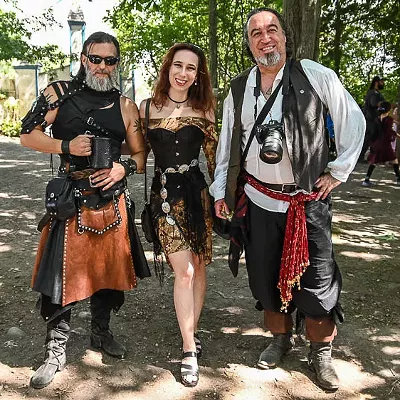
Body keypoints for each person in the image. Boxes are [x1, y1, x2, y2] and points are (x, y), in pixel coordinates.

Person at [210, 8, 365, 391]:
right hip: (259, 201)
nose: (265, 38)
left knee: (318, 280)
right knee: (264, 276)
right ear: (249, 44)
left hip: (307, 202)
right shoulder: (237, 89)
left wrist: (337, 172)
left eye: (272, 30)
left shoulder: (315, 75)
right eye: (256, 33)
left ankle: (321, 351)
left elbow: (353, 121)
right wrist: (220, 191)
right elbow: (226, 148)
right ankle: (280, 338)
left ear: (284, 36)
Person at [20, 32, 150, 389]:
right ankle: (56, 350)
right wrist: (64, 143)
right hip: (71, 199)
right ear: (83, 58)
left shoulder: (126, 106)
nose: (103, 67)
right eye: (97, 59)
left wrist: (126, 167)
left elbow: (141, 153)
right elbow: (26, 134)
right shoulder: (58, 94)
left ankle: (101, 332)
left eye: (110, 61)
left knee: (108, 272)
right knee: (61, 278)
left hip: (111, 200)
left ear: (117, 63)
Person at [139, 42, 217, 387]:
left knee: (198, 266)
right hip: (165, 198)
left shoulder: (205, 110)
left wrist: (230, 198)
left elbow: (217, 162)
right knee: (183, 270)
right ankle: (189, 350)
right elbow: (136, 152)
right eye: (179, 65)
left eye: (192, 68)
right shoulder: (146, 109)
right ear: (168, 67)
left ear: (198, 75)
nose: (184, 74)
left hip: (197, 196)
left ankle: (192, 330)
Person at [362, 101, 400, 186]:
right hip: (385, 144)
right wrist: (396, 135)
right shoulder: (389, 119)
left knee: (374, 161)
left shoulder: (377, 118)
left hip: (376, 143)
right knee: (394, 160)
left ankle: (366, 180)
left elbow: (375, 132)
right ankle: (398, 179)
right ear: (388, 110)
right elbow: (389, 131)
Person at [361, 75, 385, 160]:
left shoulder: (378, 94)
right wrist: (383, 106)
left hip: (376, 120)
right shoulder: (372, 92)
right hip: (370, 119)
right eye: (381, 81)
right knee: (367, 138)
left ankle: (372, 157)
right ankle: (359, 157)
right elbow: (374, 104)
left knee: (375, 139)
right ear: (376, 82)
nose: (383, 83)